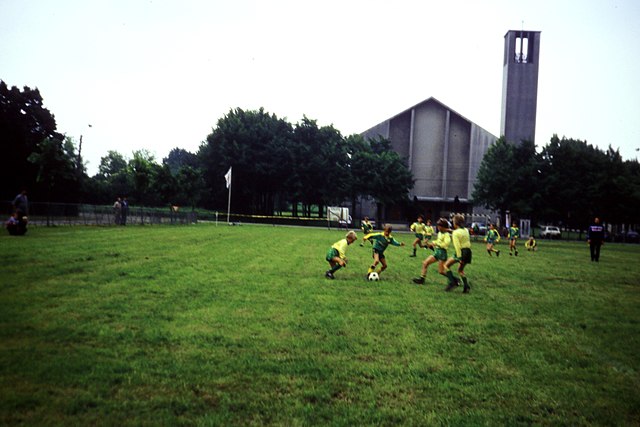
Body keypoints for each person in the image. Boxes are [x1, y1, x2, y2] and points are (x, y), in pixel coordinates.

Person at [412, 218, 452, 285]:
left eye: (439, 226)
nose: (438, 227)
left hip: (442, 253)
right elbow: (438, 241)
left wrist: (436, 244)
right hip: (437, 252)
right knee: (425, 263)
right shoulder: (439, 233)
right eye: (438, 226)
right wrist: (431, 243)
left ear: (443, 227)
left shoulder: (446, 235)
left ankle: (454, 279)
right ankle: (422, 279)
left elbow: (446, 244)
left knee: (441, 271)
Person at [443, 214, 472, 293]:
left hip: (461, 252)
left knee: (446, 265)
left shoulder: (455, 233)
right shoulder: (466, 230)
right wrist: (450, 230)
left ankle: (452, 282)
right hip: (468, 251)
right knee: (460, 270)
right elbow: (460, 233)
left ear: (455, 222)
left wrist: (459, 257)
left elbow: (457, 246)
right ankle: (466, 286)